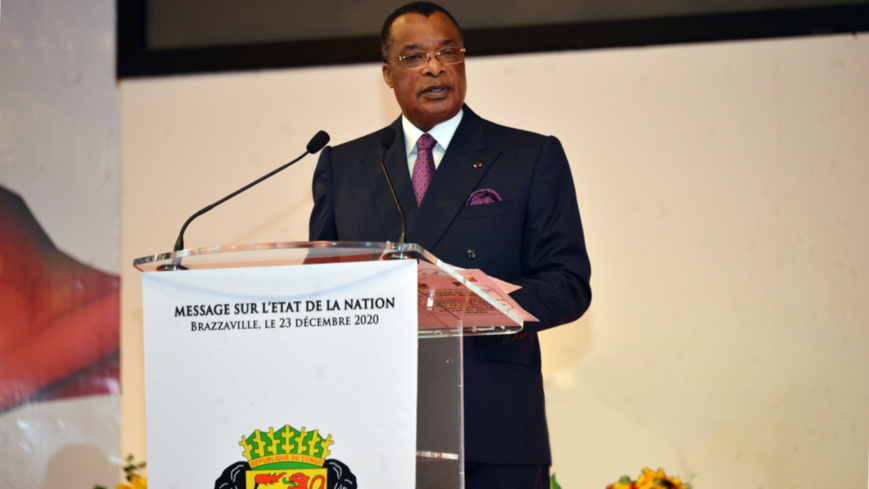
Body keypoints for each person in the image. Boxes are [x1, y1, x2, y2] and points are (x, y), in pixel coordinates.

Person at [309, 2, 591, 488]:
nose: (435, 67)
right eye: (414, 56)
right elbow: (322, 291)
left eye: (448, 52)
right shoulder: (344, 166)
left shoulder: (528, 155)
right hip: (378, 428)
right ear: (388, 73)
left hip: (494, 427)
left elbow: (567, 284)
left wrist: (479, 306)